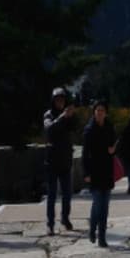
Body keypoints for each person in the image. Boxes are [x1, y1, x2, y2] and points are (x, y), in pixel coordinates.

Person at [82, 98, 118, 247]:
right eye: (97, 111)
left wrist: (113, 149)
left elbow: (115, 143)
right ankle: (92, 229)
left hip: (107, 170)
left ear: (106, 113)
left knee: (105, 206)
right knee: (98, 203)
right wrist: (86, 173)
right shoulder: (89, 130)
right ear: (94, 112)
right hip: (94, 171)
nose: (99, 113)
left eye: (102, 111)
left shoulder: (110, 128)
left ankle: (102, 236)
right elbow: (85, 153)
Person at [43, 87, 75, 235]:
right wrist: (63, 117)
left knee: (67, 194)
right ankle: (50, 223)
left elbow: (75, 128)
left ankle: (65, 218)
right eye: (57, 100)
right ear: (53, 101)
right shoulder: (48, 115)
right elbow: (49, 129)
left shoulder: (68, 116)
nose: (60, 102)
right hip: (52, 160)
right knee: (51, 195)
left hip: (65, 159)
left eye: (62, 100)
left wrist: (70, 116)